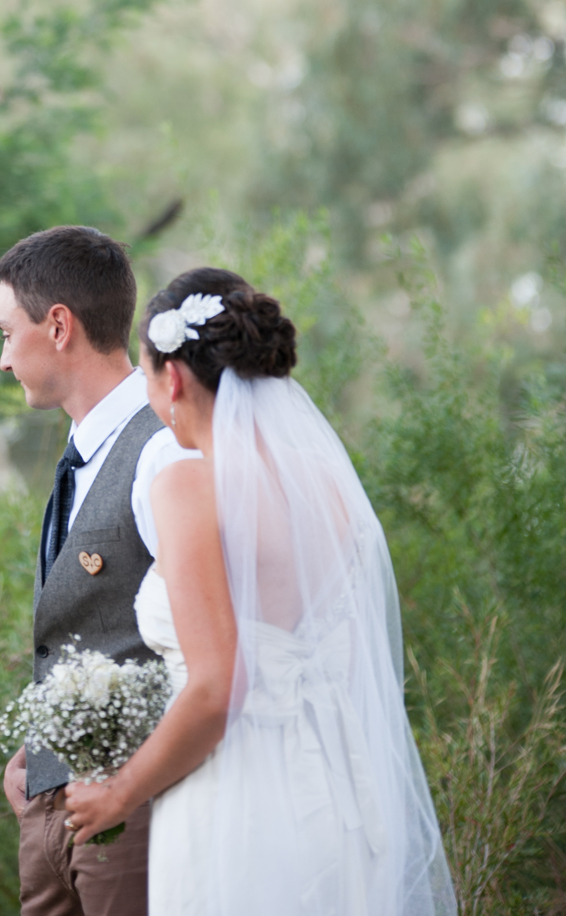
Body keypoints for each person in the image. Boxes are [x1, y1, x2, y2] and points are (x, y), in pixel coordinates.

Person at [63, 268, 457, 916]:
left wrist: (119, 793)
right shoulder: (331, 491)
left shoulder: (187, 485)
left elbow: (220, 685)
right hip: (342, 803)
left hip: (238, 803)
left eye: (148, 375)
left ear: (176, 378)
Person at [0, 225, 189, 916]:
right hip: (49, 804)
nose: (2, 359)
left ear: (57, 325)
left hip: (129, 809)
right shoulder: (79, 456)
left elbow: (201, 645)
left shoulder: (161, 454)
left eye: (7, 333)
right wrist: (39, 752)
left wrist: (125, 784)